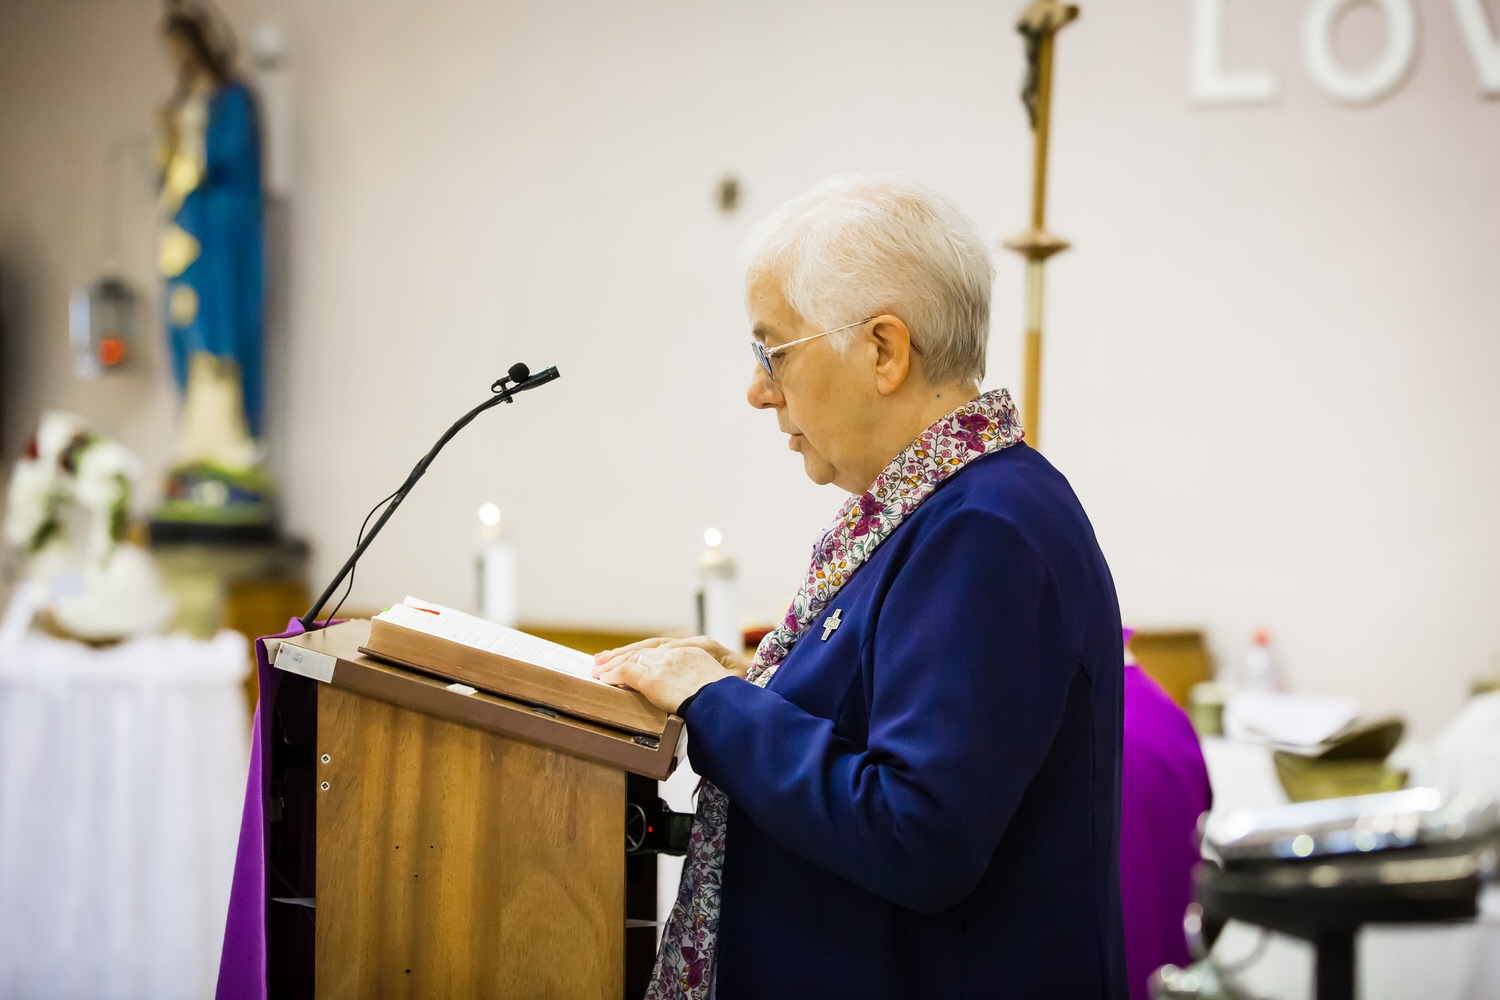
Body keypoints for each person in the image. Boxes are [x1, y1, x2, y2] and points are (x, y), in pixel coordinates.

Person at [595, 173, 1129, 998]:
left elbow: (915, 831)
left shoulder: (983, 530)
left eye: (772, 351)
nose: (758, 390)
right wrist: (752, 691)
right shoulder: (956, 509)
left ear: (884, 349)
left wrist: (716, 703)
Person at [156, 4, 267, 502]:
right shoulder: (182, 100)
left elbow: (231, 163)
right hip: (186, 239)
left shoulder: (233, 99)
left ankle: (228, 448)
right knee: (188, 333)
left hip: (221, 237)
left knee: (221, 335)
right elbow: (168, 178)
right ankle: (196, 446)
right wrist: (169, 139)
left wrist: (189, 140)